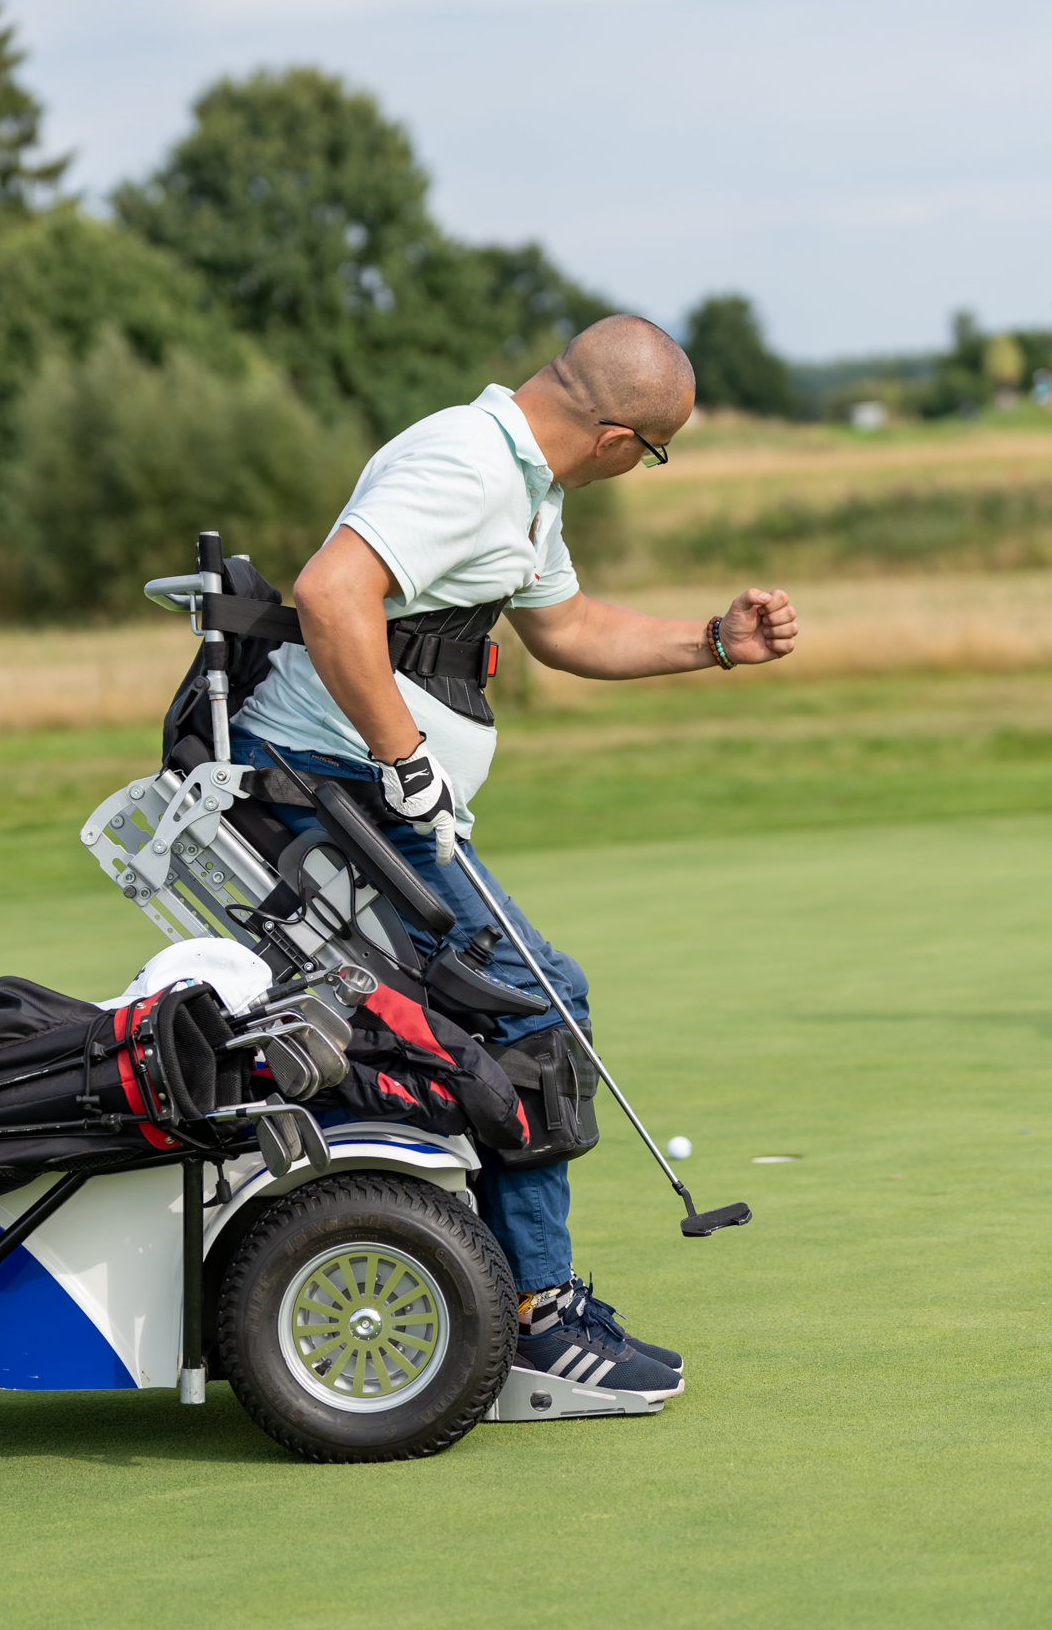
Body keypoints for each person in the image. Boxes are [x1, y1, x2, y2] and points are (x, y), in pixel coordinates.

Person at [230, 315, 797, 1397]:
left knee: (496, 1011)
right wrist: (401, 756)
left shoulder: (522, 483)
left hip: (366, 792)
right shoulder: (465, 464)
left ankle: (487, 1284)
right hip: (329, 789)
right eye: (655, 452)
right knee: (538, 1006)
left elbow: (568, 626)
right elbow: (329, 593)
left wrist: (715, 643)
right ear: (622, 439)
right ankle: (535, 1317)